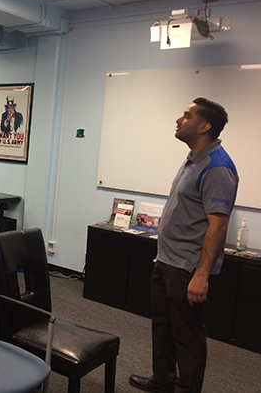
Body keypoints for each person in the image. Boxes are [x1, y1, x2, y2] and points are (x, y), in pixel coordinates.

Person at [129, 98, 238, 393]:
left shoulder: (217, 167)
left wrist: (201, 275)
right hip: (166, 261)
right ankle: (163, 380)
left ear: (204, 126)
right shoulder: (194, 158)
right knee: (162, 327)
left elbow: (218, 225)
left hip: (187, 268)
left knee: (188, 336)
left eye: (187, 116)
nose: (179, 119)